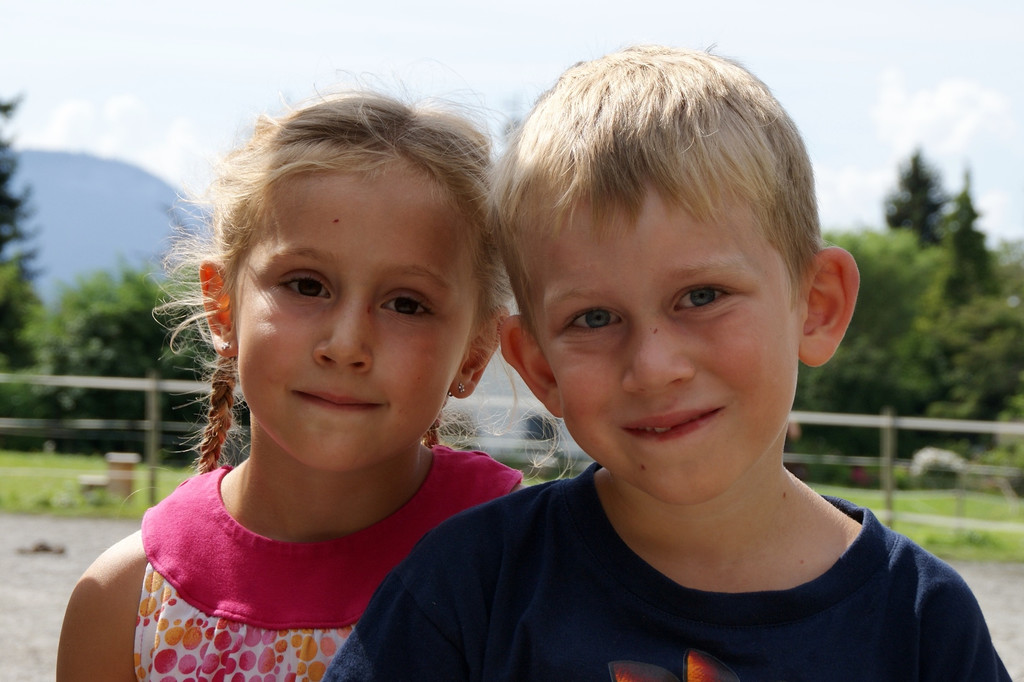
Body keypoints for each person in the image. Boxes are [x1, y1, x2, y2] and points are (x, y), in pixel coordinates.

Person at [324, 46, 1011, 680]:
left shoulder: (923, 625)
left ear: (817, 307)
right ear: (541, 368)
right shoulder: (468, 592)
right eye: (594, 318)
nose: (654, 367)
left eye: (702, 297)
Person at [56, 90, 522, 681]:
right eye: (306, 285)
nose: (346, 344)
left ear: (475, 352)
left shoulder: (524, 566)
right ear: (223, 307)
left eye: (407, 303)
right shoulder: (125, 604)